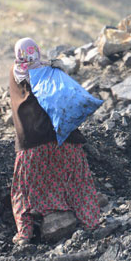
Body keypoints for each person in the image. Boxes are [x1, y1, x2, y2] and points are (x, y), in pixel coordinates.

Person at [9, 37, 100, 245]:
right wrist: (55, 67)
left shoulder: (15, 72)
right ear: (38, 51)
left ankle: (25, 233)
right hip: (63, 139)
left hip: (31, 143)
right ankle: (91, 222)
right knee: (78, 182)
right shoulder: (49, 70)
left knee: (23, 189)